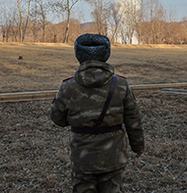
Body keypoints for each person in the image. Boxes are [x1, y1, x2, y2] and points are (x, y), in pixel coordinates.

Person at [50, 33, 144, 193]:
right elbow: (133, 121)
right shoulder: (121, 85)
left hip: (82, 158)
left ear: (78, 54)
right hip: (114, 157)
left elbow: (57, 118)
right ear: (106, 54)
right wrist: (138, 147)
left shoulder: (68, 87)